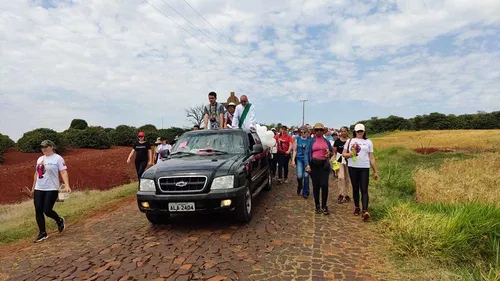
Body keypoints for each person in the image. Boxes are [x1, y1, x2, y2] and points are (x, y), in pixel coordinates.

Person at [31, 140, 71, 243]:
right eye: (42, 147)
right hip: (39, 188)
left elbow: (63, 172)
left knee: (47, 210)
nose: (43, 149)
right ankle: (43, 233)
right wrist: (33, 187)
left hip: (52, 188)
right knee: (38, 210)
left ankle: (59, 220)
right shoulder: (40, 159)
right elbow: (36, 174)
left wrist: (67, 185)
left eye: (45, 147)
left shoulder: (58, 158)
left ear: (52, 147)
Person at [343, 123, 379, 221]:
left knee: (364, 189)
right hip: (353, 166)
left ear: (364, 131)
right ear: (355, 131)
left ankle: (365, 210)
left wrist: (375, 171)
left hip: (364, 167)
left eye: (361, 131)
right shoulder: (350, 141)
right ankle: (356, 207)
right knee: (355, 188)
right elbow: (343, 154)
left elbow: (371, 157)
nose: (359, 133)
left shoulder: (368, 142)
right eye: (358, 131)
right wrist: (349, 154)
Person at [305, 123, 334, 215]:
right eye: (317, 130)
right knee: (316, 186)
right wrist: (307, 165)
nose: (319, 132)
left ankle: (324, 206)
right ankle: (317, 206)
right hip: (314, 165)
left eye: (320, 130)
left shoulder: (326, 141)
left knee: (324, 185)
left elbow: (332, 152)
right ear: (314, 131)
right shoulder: (311, 141)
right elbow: (306, 153)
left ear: (323, 131)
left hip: (324, 165)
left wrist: (329, 153)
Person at [291, 127, 311, 199]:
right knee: (299, 176)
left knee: (306, 176)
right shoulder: (297, 139)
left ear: (307, 132)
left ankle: (305, 192)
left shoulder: (309, 140)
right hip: (299, 159)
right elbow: (295, 150)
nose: (303, 134)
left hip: (307, 160)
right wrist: (293, 160)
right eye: (301, 132)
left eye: (304, 132)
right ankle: (300, 185)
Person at [334, 126, 351, 203]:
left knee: (347, 177)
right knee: (341, 177)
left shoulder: (351, 140)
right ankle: (341, 194)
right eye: (342, 131)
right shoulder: (337, 141)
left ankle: (347, 194)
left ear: (347, 131)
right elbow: (335, 152)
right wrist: (335, 164)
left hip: (349, 160)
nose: (343, 132)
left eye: (345, 131)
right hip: (340, 159)